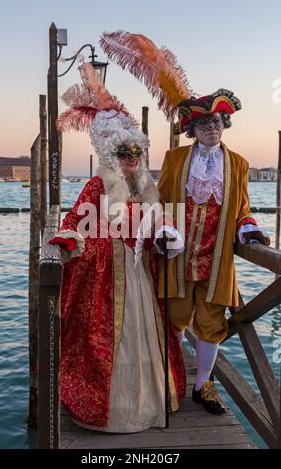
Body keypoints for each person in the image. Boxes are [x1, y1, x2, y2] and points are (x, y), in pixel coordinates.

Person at [100, 32, 270, 415]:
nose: (212, 129)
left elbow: (242, 206)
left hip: (215, 259)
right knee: (174, 318)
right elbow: (155, 200)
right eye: (205, 124)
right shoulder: (176, 159)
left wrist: (251, 231)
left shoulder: (239, 164)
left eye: (218, 123)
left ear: (225, 125)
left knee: (212, 323)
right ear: (194, 129)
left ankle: (203, 386)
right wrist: (162, 228)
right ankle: (171, 379)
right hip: (178, 254)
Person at [49, 62, 186, 432]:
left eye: (135, 155)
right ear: (111, 156)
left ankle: (147, 400)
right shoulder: (96, 186)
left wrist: (167, 233)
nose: (131, 161)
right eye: (124, 155)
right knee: (106, 340)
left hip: (138, 270)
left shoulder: (144, 188)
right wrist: (68, 237)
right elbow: (76, 219)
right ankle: (110, 408)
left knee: (141, 338)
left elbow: (159, 218)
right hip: (102, 275)